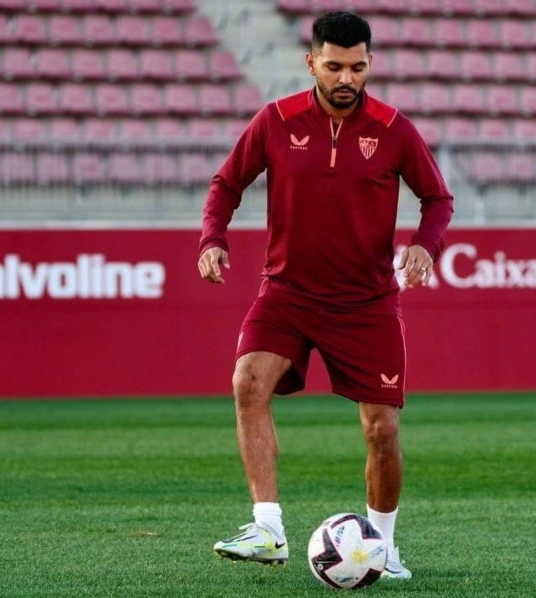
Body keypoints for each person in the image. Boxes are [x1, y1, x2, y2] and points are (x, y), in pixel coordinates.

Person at [197, 10, 453, 580]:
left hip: (367, 303)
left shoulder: (393, 129)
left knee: (381, 428)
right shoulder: (276, 120)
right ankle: (267, 527)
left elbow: (437, 199)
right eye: (334, 66)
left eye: (357, 67)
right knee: (247, 381)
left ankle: (382, 548)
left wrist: (425, 246)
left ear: (370, 65)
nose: (346, 78)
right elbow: (226, 183)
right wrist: (212, 239)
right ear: (311, 62)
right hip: (287, 292)